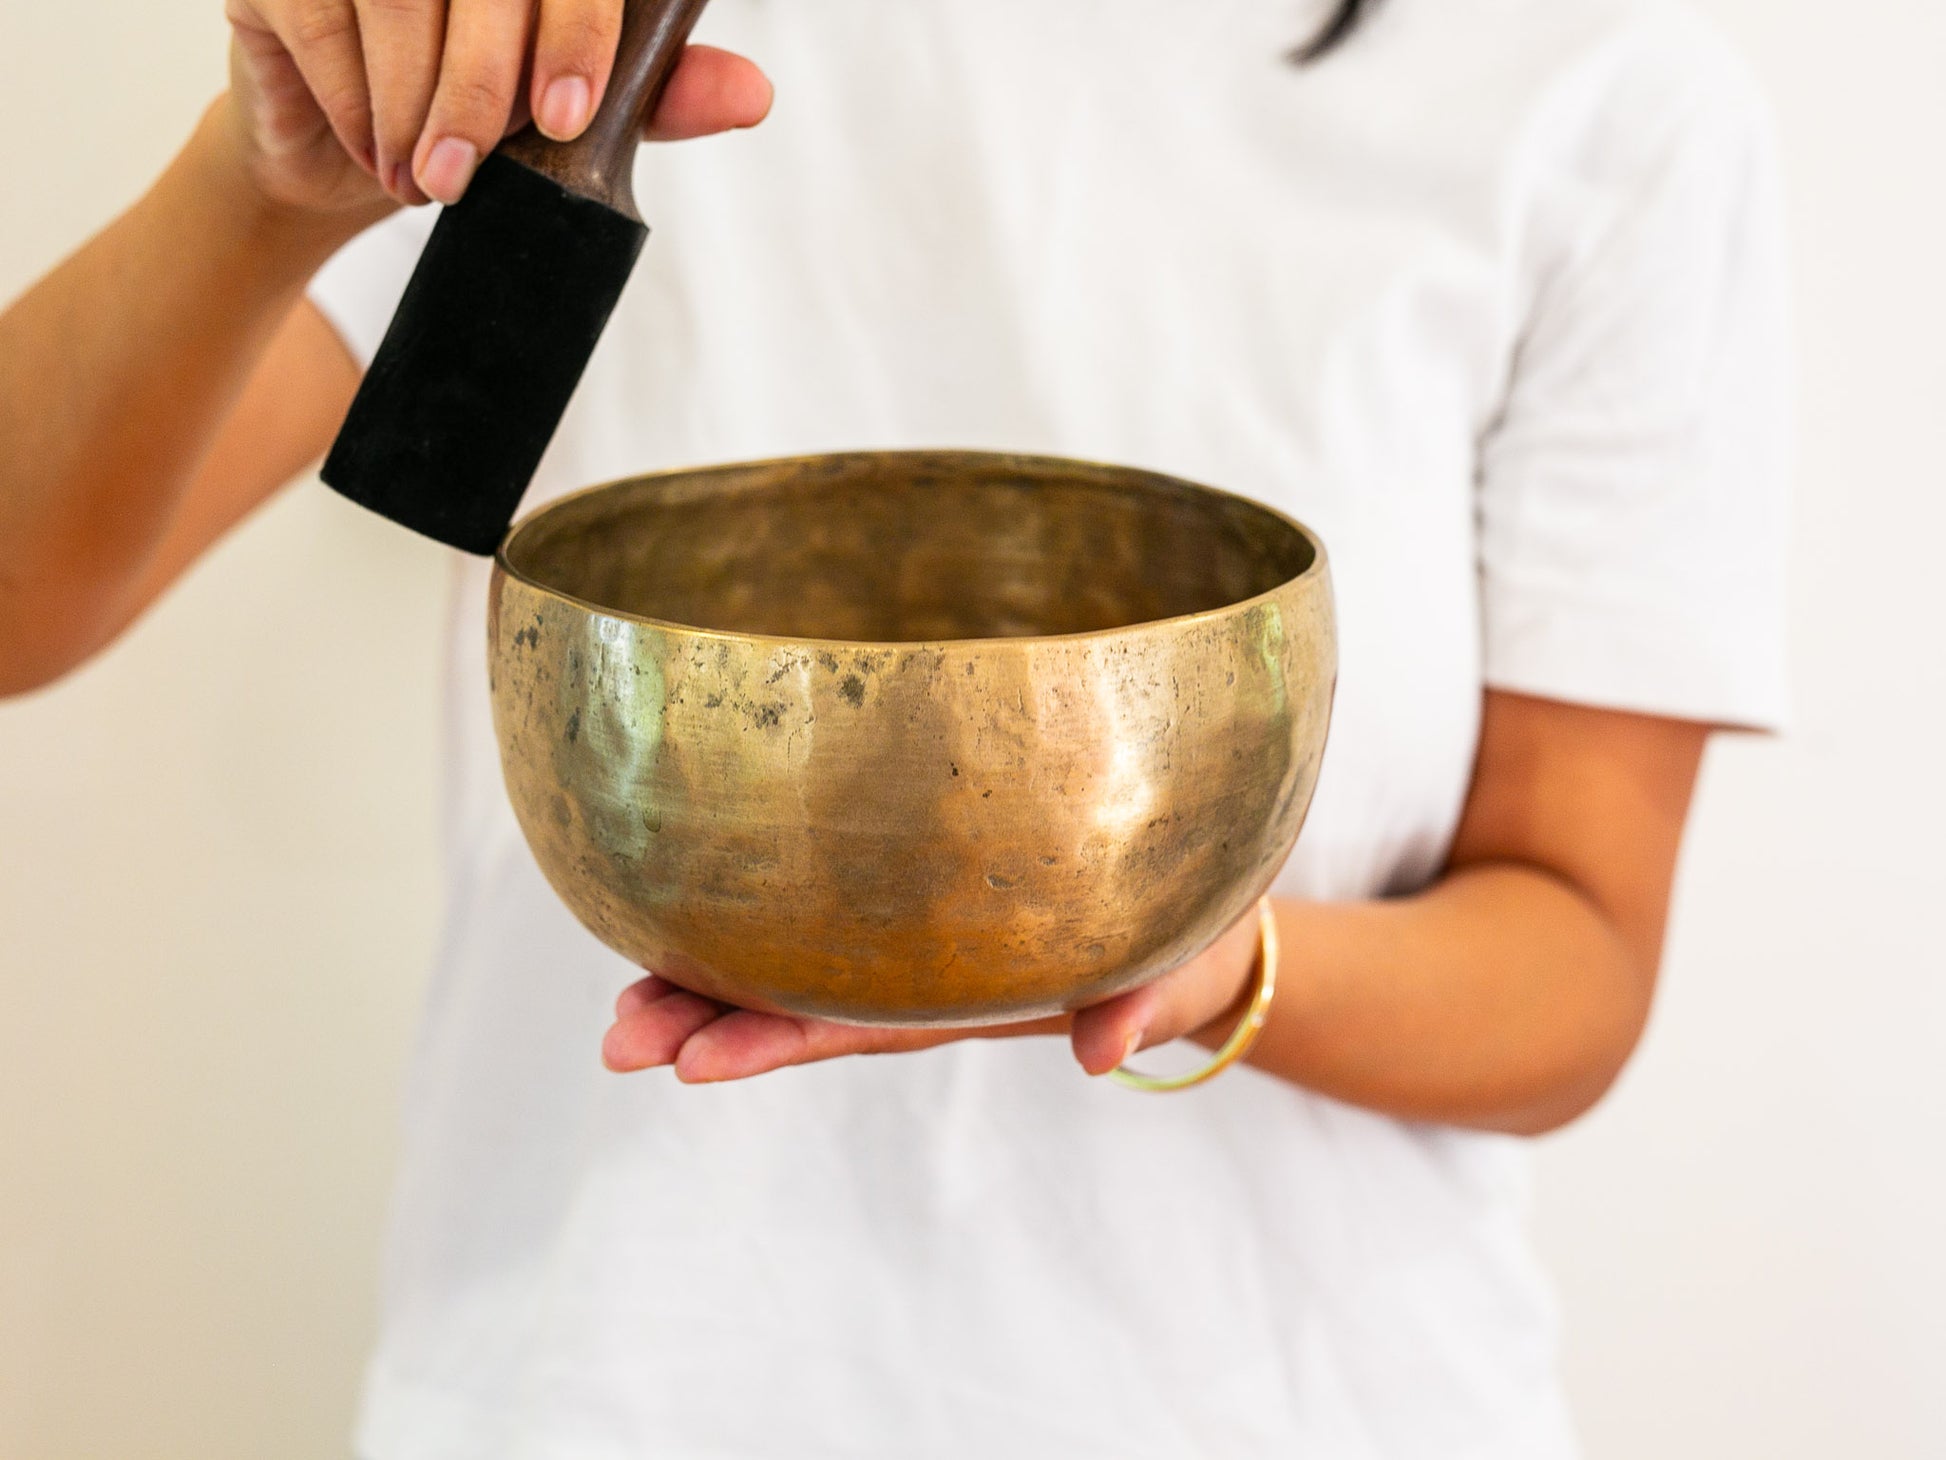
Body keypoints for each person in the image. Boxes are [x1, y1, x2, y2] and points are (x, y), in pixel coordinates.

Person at [0, 0, 1791, 1453]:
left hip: (1294, 1405)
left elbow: (1572, 953)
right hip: (611, 1392)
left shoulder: (1596, 94)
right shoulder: (567, 41)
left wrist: (1196, 964)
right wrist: (264, 184)